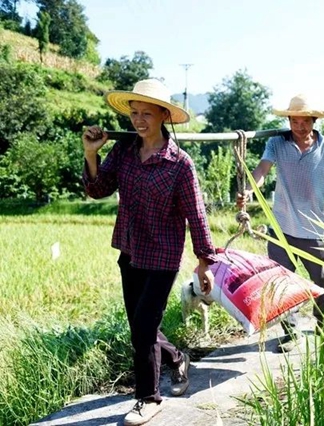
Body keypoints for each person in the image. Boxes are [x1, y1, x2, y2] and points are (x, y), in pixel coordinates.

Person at [82, 78, 217, 426]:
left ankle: (147, 398)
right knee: (141, 326)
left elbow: (196, 214)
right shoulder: (124, 151)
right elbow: (98, 189)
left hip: (163, 254)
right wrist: (91, 154)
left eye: (147, 113)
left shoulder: (179, 164)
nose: (139, 120)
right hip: (130, 249)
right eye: (134, 113)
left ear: (163, 115)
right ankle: (176, 358)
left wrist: (204, 262)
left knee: (143, 325)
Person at [236, 94, 324, 352]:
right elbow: (263, 169)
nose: (300, 126)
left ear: (314, 121)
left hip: (314, 229)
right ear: (288, 120)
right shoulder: (277, 143)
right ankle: (291, 331)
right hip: (282, 227)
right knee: (281, 284)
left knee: (321, 282)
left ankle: (322, 325)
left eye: (305, 121)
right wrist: (250, 189)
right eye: (294, 121)